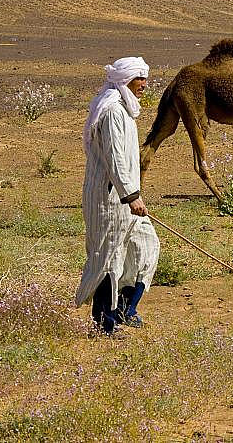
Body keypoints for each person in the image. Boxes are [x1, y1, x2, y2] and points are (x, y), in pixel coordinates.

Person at [75, 56, 160, 336]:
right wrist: (130, 195)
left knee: (145, 245)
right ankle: (104, 324)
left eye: (145, 78)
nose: (144, 84)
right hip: (109, 199)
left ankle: (125, 308)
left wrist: (131, 196)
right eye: (138, 78)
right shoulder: (112, 111)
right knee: (108, 259)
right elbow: (115, 159)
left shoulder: (124, 110)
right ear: (124, 80)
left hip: (125, 199)